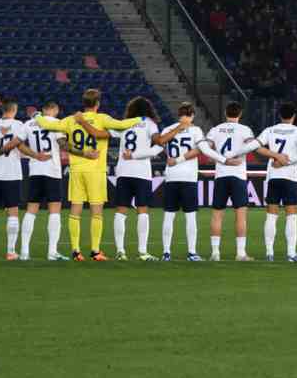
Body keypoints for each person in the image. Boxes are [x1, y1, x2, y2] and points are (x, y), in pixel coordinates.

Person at [34, 87, 143, 260]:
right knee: (96, 212)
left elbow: (48, 124)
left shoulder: (71, 119)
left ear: (83, 104)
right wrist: (139, 118)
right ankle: (95, 251)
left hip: (76, 169)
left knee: (75, 211)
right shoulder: (102, 119)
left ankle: (76, 251)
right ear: (97, 104)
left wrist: (37, 116)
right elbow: (122, 125)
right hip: (96, 170)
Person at [0, 98, 45, 262]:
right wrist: (36, 155)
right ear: (14, 110)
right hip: (12, 174)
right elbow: (20, 146)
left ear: (2, 110)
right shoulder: (19, 125)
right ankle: (11, 251)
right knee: (13, 212)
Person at [200, 101, 261, 262]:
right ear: (240, 114)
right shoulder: (245, 129)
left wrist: (223, 159)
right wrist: (237, 154)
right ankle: (240, 253)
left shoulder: (216, 129)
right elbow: (252, 145)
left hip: (221, 175)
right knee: (240, 215)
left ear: (225, 113)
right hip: (238, 176)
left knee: (217, 215)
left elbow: (206, 149)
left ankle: (215, 253)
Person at [255, 102, 297, 262]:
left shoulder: (270, 130)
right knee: (291, 216)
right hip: (290, 177)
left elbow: (256, 147)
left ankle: (269, 253)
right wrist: (285, 160)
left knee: (271, 215)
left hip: (273, 176)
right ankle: (291, 254)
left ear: (279, 115)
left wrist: (275, 156)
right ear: (294, 116)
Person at [111, 98, 163, 261]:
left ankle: (120, 251)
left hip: (123, 171)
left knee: (121, 211)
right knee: (143, 211)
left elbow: (106, 133)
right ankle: (143, 252)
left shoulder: (124, 123)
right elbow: (159, 145)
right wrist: (139, 154)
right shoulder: (149, 124)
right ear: (148, 109)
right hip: (142, 172)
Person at [156, 102, 204, 261]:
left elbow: (161, 142)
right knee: (190, 216)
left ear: (178, 114)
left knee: (169, 215)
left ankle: (166, 252)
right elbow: (199, 150)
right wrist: (180, 159)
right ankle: (191, 252)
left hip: (171, 177)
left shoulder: (169, 129)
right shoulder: (196, 130)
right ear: (192, 115)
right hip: (188, 177)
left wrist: (172, 157)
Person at [21, 102, 68, 261]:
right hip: (52, 171)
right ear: (54, 110)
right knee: (54, 210)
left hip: (35, 170)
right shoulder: (56, 123)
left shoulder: (28, 124)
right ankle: (52, 252)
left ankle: (24, 252)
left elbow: (19, 144)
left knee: (31, 210)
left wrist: (34, 155)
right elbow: (62, 144)